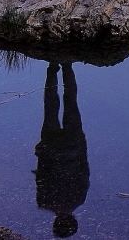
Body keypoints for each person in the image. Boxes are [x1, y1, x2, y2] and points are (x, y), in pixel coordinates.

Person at [34, 62, 89, 238]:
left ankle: (66, 65)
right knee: (50, 106)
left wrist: (82, 146)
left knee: (70, 100)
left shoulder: (79, 200)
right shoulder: (44, 202)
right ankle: (52, 68)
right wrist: (41, 152)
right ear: (55, 222)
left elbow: (84, 171)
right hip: (51, 150)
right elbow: (43, 175)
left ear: (74, 220)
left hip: (73, 148)